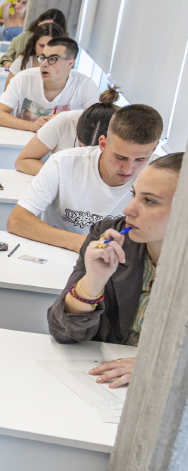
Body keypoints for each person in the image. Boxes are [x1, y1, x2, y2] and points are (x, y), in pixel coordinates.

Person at [48, 152, 182, 386]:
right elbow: (64, 333)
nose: (129, 209)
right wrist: (93, 281)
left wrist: (155, 365)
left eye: (149, 201)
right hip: (103, 380)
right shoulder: (110, 236)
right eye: (134, 194)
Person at [9, 104, 162, 252]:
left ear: (154, 149)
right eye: (120, 157)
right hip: (58, 254)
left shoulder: (162, 177)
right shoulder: (62, 162)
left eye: (141, 159)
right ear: (103, 144)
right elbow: (17, 221)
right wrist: (77, 242)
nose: (128, 169)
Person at [0, 37, 99, 132]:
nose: (44, 64)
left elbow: (97, 124)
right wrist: (31, 125)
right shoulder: (23, 78)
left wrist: (65, 121)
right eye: (43, 57)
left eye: (53, 59)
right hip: (21, 144)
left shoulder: (84, 85)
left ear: (70, 63)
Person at [15, 88, 121, 174]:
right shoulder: (65, 121)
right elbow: (22, 162)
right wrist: (65, 175)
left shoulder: (125, 134)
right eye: (82, 147)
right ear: (77, 125)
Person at [4, 23, 66, 89]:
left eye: (50, 46)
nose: (45, 50)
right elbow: (7, 92)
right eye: (41, 46)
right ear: (34, 45)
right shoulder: (21, 62)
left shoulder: (63, 65)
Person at [1, 9, 66, 67]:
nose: (46, 29)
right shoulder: (22, 38)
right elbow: (7, 57)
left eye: (51, 27)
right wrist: (8, 63)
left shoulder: (64, 47)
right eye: (41, 45)